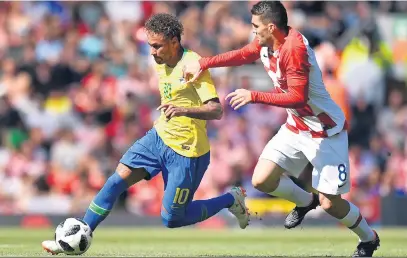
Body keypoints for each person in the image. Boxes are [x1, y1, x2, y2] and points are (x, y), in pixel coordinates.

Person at [183, 2, 379, 257]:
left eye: (255, 26)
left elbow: (297, 97)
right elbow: (244, 54)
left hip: (324, 131)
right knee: (262, 180)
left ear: (271, 27)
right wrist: (205, 63)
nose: (251, 31)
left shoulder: (294, 49)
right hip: (296, 126)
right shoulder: (268, 42)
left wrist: (253, 95)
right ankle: (304, 201)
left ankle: (368, 238)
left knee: (330, 203)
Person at [42, 13, 249, 255]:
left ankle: (231, 199)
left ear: (174, 42)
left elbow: (216, 110)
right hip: (158, 137)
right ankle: (78, 235)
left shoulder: (193, 65)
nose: (152, 52)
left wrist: (182, 109)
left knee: (171, 218)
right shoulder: (160, 61)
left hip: (187, 151)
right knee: (116, 181)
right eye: (149, 45)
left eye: (156, 46)